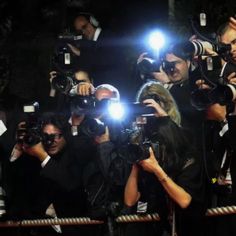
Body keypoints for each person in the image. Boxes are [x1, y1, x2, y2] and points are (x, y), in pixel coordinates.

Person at [123, 81, 205, 236]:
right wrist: (136, 162)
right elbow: (129, 201)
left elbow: (185, 200)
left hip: (185, 226)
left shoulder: (184, 141)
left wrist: (156, 169)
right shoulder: (141, 144)